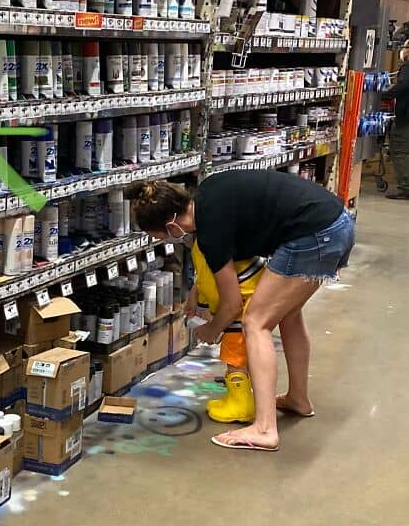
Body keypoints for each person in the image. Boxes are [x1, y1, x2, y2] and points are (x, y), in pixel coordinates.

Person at [128, 173, 355, 452]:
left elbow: (232, 303)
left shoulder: (210, 234)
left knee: (255, 322)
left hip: (314, 234)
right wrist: (197, 290)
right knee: (288, 314)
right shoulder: (208, 194)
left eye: (160, 236)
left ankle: (265, 429)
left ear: (171, 226)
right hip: (337, 222)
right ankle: (298, 398)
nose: (167, 240)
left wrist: (212, 330)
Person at [188, 241, 264, 423]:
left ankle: (240, 405)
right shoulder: (210, 237)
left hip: (242, 302)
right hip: (252, 292)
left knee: (234, 356)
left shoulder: (203, 245)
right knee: (244, 354)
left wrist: (208, 315)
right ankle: (238, 398)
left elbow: (210, 286)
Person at [385, 40, 409, 199]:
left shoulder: (408, 68)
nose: (402, 50)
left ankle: (406, 188)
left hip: (406, 118)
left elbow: (404, 86)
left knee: (400, 150)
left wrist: (386, 94)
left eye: (405, 47)